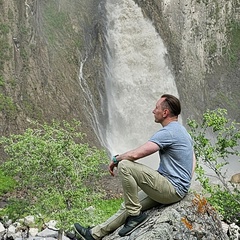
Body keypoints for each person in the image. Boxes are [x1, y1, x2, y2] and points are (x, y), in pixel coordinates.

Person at [74, 94, 196, 240]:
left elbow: (136, 155)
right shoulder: (182, 132)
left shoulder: (168, 132)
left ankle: (135, 216)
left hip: (170, 188)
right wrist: (185, 182)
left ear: (165, 112)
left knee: (125, 165)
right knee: (130, 203)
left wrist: (115, 159)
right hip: (174, 189)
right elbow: (193, 159)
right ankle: (93, 234)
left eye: (156, 107)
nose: (153, 111)